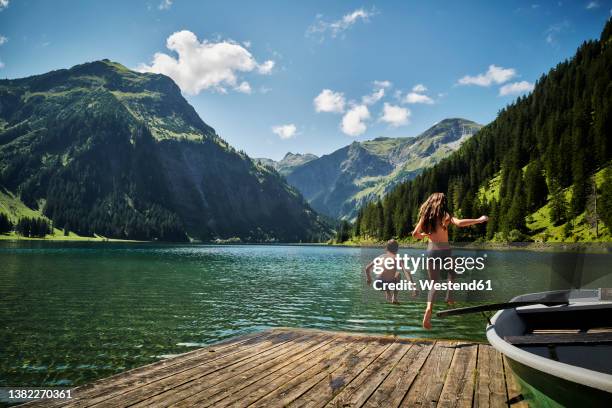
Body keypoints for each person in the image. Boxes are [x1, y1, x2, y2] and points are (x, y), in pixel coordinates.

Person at [411, 192, 488, 329]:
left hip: (431, 252)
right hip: (445, 251)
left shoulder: (425, 217)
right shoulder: (445, 215)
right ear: (442, 202)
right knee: (453, 272)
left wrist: (424, 235)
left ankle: (429, 308)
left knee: (434, 283)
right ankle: (449, 295)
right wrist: (479, 219)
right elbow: (459, 223)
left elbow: (415, 234)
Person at [364, 239, 416, 304]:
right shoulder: (398, 258)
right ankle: (394, 298)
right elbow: (406, 272)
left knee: (382, 273)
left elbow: (367, 268)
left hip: (378, 284)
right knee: (398, 274)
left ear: (386, 248)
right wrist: (413, 287)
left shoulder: (381, 256)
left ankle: (388, 293)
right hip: (388, 284)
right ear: (397, 249)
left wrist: (369, 278)